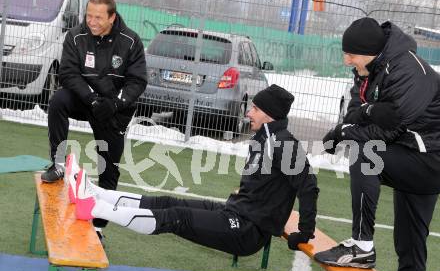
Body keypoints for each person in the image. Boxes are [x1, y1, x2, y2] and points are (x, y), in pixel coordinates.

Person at [69, 85, 319, 257]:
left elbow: (308, 186)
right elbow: (267, 181)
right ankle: (97, 193)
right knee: (167, 202)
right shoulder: (263, 138)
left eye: (253, 108)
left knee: (177, 217)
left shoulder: (285, 144)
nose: (248, 112)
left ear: (269, 114)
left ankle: (94, 208)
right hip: (236, 211)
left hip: (247, 230)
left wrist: (304, 233)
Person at [314, 17, 440, 271]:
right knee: (410, 248)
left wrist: (349, 130)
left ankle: (363, 246)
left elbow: (385, 131)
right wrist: (344, 126)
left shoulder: (410, 72)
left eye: (351, 55)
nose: (347, 61)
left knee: (365, 153)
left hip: (430, 159)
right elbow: (359, 109)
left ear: (371, 53)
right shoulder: (370, 69)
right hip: (411, 153)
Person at [41, 0, 147, 237]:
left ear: (112, 17)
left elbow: (137, 81)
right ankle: (58, 164)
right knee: (58, 101)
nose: (92, 21)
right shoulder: (76, 36)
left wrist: (116, 104)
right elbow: (67, 73)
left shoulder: (130, 41)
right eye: (89, 15)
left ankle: (98, 228)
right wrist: (91, 98)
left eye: (98, 17)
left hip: (113, 111)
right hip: (85, 100)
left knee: (109, 169)